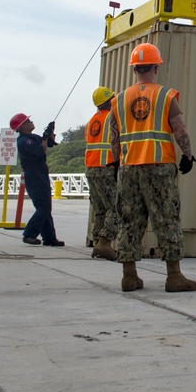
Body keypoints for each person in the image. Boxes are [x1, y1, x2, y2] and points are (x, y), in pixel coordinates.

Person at [109, 42, 196, 293]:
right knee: (166, 218)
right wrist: (188, 156)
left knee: (129, 219)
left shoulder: (119, 99)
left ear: (134, 68)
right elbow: (180, 130)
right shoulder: (164, 95)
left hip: (128, 168)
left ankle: (129, 276)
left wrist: (118, 163)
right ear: (156, 67)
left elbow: (114, 139)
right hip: (159, 166)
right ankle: (174, 277)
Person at [10, 113, 64, 246]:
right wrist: (45, 139)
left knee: (45, 207)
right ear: (22, 127)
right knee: (43, 207)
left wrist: (49, 133)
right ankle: (29, 234)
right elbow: (42, 150)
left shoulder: (32, 137)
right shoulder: (24, 141)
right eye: (28, 121)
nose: (31, 122)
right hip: (34, 176)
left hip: (40, 174)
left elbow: (48, 143)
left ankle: (49, 237)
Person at [85, 86, 120, 261]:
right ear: (107, 101)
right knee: (116, 206)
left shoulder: (92, 121)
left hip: (91, 168)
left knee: (100, 208)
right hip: (106, 167)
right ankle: (104, 243)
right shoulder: (112, 118)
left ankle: (98, 241)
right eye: (112, 98)